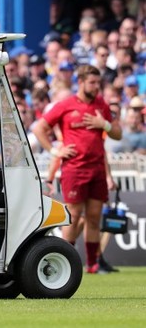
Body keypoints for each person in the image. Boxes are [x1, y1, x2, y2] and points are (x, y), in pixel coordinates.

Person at [32, 65, 122, 274]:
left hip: (97, 168)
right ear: (80, 82)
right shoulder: (66, 105)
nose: (96, 87)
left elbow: (118, 133)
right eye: (92, 82)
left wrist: (104, 124)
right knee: (73, 215)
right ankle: (64, 260)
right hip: (74, 169)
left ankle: (93, 264)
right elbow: (39, 128)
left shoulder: (101, 105)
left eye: (98, 82)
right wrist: (55, 151)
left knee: (93, 216)